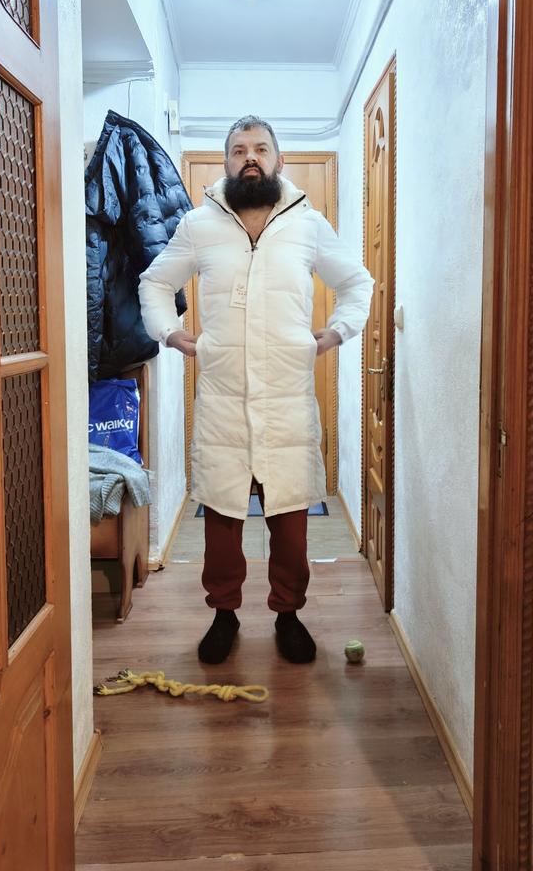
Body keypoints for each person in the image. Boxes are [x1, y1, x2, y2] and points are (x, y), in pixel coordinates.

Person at [139, 116, 373, 664]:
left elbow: (356, 282)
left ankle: (289, 614)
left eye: (261, 149)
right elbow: (155, 281)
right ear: (226, 162)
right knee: (222, 521)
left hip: (288, 400)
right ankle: (223, 614)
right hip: (222, 401)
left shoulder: (308, 225)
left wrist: (336, 332)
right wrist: (169, 332)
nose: (251, 157)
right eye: (239, 149)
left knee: (289, 521)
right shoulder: (199, 225)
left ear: (279, 161)